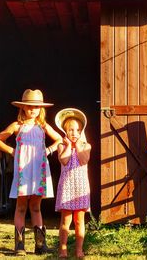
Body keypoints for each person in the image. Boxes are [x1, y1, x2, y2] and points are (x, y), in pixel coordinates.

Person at [0, 89, 62, 256]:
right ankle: (20, 246)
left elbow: (60, 139)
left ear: (41, 109)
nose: (33, 109)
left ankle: (40, 245)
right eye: (29, 106)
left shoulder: (43, 126)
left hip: (38, 168)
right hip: (23, 171)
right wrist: (12, 151)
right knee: (21, 206)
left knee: (36, 207)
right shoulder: (17, 126)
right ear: (23, 108)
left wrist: (49, 150)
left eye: (36, 106)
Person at [54, 108, 92, 259]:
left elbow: (83, 160)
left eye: (78, 130)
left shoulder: (86, 146)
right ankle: (63, 249)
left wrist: (78, 145)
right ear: (65, 131)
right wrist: (69, 145)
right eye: (71, 130)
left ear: (82, 131)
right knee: (66, 220)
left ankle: (79, 249)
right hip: (67, 187)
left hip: (81, 187)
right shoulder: (61, 146)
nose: (74, 133)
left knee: (79, 220)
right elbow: (64, 160)